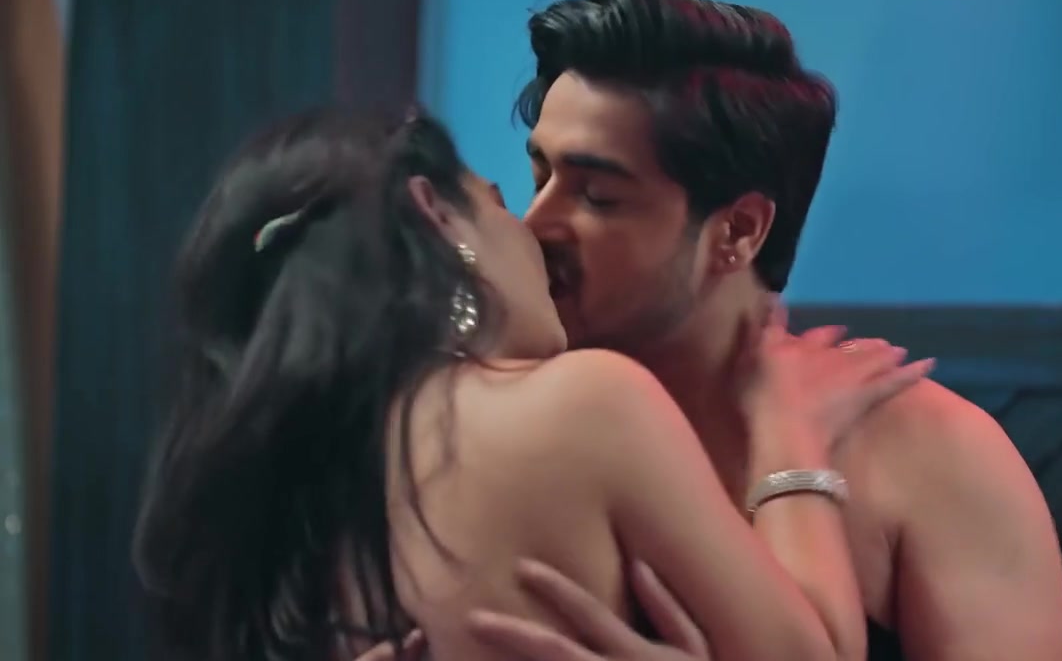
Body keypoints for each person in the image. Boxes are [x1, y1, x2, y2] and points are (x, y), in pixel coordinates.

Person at [366, 0, 1062, 661]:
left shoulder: (929, 453)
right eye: (539, 176)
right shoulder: (498, 427)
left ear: (738, 230)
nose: (536, 223)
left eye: (598, 197)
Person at [131, 108, 933, 660]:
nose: (538, 231)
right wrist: (788, 424)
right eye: (501, 200)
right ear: (436, 213)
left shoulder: (299, 492)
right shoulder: (581, 403)